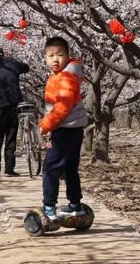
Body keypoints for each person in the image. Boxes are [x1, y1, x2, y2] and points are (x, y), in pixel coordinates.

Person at [38, 36, 89, 220]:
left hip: (64, 128)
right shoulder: (62, 75)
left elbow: (62, 107)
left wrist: (45, 124)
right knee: (69, 167)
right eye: (51, 55)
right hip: (73, 129)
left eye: (60, 54)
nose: (55, 59)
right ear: (45, 58)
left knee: (51, 167)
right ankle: (75, 205)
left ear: (68, 56)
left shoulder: (66, 77)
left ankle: (49, 207)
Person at [0, 45, 30, 177]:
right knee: (11, 136)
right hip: (15, 104)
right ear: (3, 54)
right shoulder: (12, 63)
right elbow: (26, 67)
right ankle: (9, 169)